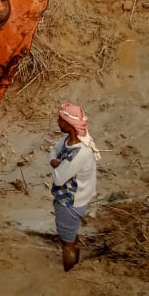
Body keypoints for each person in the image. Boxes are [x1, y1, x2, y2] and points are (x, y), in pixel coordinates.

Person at [49, 103, 101, 271]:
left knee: (67, 244)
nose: (58, 122)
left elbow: (58, 179)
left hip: (69, 202)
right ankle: (76, 262)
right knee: (72, 235)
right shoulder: (75, 139)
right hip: (78, 197)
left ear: (68, 124)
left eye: (60, 119)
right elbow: (54, 150)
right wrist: (56, 162)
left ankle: (69, 274)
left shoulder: (78, 154)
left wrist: (55, 163)